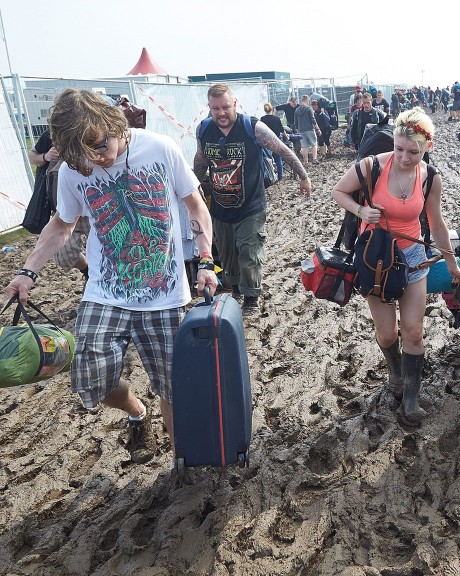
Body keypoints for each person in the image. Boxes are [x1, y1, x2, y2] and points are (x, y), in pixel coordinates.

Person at [4, 88, 218, 464]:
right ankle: (137, 411)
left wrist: (204, 259)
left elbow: (195, 205)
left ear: (114, 123)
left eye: (100, 145)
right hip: (105, 292)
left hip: (164, 295)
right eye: (85, 154)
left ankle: (181, 464)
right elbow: (62, 224)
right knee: (91, 382)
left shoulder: (160, 148)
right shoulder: (74, 170)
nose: (97, 159)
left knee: (172, 388)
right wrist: (27, 272)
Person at [331, 108, 460, 424]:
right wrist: (360, 210)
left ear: (427, 146)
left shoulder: (431, 178)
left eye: (414, 151)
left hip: (414, 259)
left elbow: (438, 223)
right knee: (388, 333)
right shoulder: (370, 167)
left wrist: (452, 263)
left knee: (414, 332)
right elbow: (338, 191)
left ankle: (411, 397)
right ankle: (394, 369)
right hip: (375, 258)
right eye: (399, 148)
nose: (405, 157)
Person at [195, 84, 312, 315]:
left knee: (249, 251)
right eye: (215, 108)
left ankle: (251, 297)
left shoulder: (253, 127)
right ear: (209, 108)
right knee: (228, 257)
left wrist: (304, 176)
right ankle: (237, 288)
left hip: (251, 207)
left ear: (235, 104)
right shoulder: (204, 129)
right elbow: (200, 160)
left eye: (226, 107)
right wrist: (195, 188)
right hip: (220, 207)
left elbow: (283, 151)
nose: (221, 113)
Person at [27, 129, 91, 278]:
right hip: (63, 209)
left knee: (105, 251)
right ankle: (87, 271)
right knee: (64, 257)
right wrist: (45, 156)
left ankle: (99, 279)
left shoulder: (91, 131)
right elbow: (32, 156)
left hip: (94, 207)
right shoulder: (51, 133)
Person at [261, 103, 290, 179]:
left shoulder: (262, 119)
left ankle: (270, 176)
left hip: (266, 142)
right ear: (272, 109)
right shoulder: (276, 119)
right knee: (278, 159)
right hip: (276, 141)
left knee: (268, 159)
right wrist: (286, 137)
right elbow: (282, 130)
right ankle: (280, 176)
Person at [294, 94, 319, 164]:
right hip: (309, 129)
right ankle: (314, 159)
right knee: (314, 144)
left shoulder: (297, 110)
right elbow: (313, 120)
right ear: (307, 101)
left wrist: (297, 129)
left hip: (301, 130)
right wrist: (317, 128)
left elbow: (295, 121)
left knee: (304, 146)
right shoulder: (309, 109)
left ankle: (306, 161)